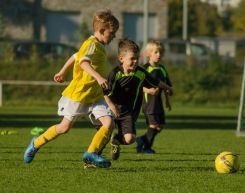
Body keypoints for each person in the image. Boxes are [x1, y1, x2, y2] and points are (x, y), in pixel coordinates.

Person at [23, 10, 119, 168]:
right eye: (112, 33)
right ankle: (36, 143)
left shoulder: (97, 45)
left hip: (95, 96)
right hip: (80, 95)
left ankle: (91, 154)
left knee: (108, 123)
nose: (114, 36)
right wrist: (99, 77)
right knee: (64, 128)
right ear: (102, 31)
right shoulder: (91, 44)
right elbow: (83, 62)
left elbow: (75, 56)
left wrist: (62, 71)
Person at [92, 38, 173, 160]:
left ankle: (116, 141)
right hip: (110, 109)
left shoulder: (141, 72)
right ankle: (95, 155)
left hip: (128, 112)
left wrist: (168, 88)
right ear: (121, 59)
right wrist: (112, 106)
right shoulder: (115, 73)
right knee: (105, 132)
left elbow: (155, 82)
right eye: (132, 59)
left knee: (130, 139)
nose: (135, 62)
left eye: (137, 59)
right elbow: (105, 92)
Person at [136, 40, 173, 154]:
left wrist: (168, 100)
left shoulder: (162, 69)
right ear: (148, 54)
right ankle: (146, 148)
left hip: (158, 103)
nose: (159, 55)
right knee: (153, 125)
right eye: (156, 52)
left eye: (160, 52)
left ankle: (141, 140)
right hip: (148, 103)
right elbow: (137, 85)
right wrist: (148, 90)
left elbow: (166, 86)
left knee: (160, 126)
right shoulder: (144, 69)